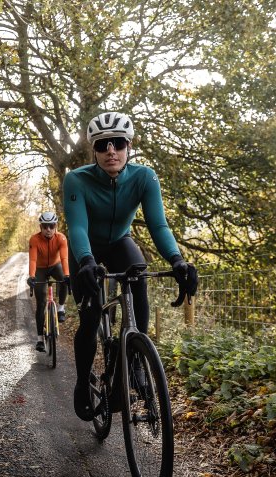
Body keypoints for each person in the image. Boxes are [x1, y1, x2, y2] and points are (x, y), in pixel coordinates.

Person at [63, 111, 198, 421]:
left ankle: (134, 360)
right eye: (103, 145)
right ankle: (82, 382)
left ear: (129, 146)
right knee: (90, 316)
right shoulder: (76, 179)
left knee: (139, 277)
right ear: (94, 150)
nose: (111, 150)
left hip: (119, 242)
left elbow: (158, 225)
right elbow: (77, 227)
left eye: (118, 143)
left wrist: (177, 260)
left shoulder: (144, 177)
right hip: (85, 249)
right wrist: (85, 261)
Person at [27, 211, 70, 352]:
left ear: (55, 225)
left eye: (51, 226)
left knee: (63, 279)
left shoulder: (61, 238)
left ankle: (61, 308)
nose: (48, 229)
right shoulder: (34, 239)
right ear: (41, 227)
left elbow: (64, 259)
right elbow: (33, 260)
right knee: (41, 303)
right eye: (45, 226)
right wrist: (32, 276)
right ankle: (40, 339)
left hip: (55, 265)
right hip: (40, 269)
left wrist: (67, 275)